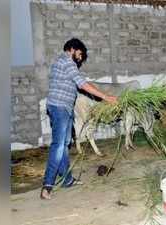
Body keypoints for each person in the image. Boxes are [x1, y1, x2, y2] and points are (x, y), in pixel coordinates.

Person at [41, 38, 117, 200]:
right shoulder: (66, 60)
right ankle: (47, 185)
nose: (80, 58)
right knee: (58, 145)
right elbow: (82, 84)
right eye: (80, 54)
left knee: (64, 144)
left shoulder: (63, 62)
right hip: (60, 107)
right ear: (73, 49)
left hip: (64, 108)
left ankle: (67, 180)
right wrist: (105, 96)